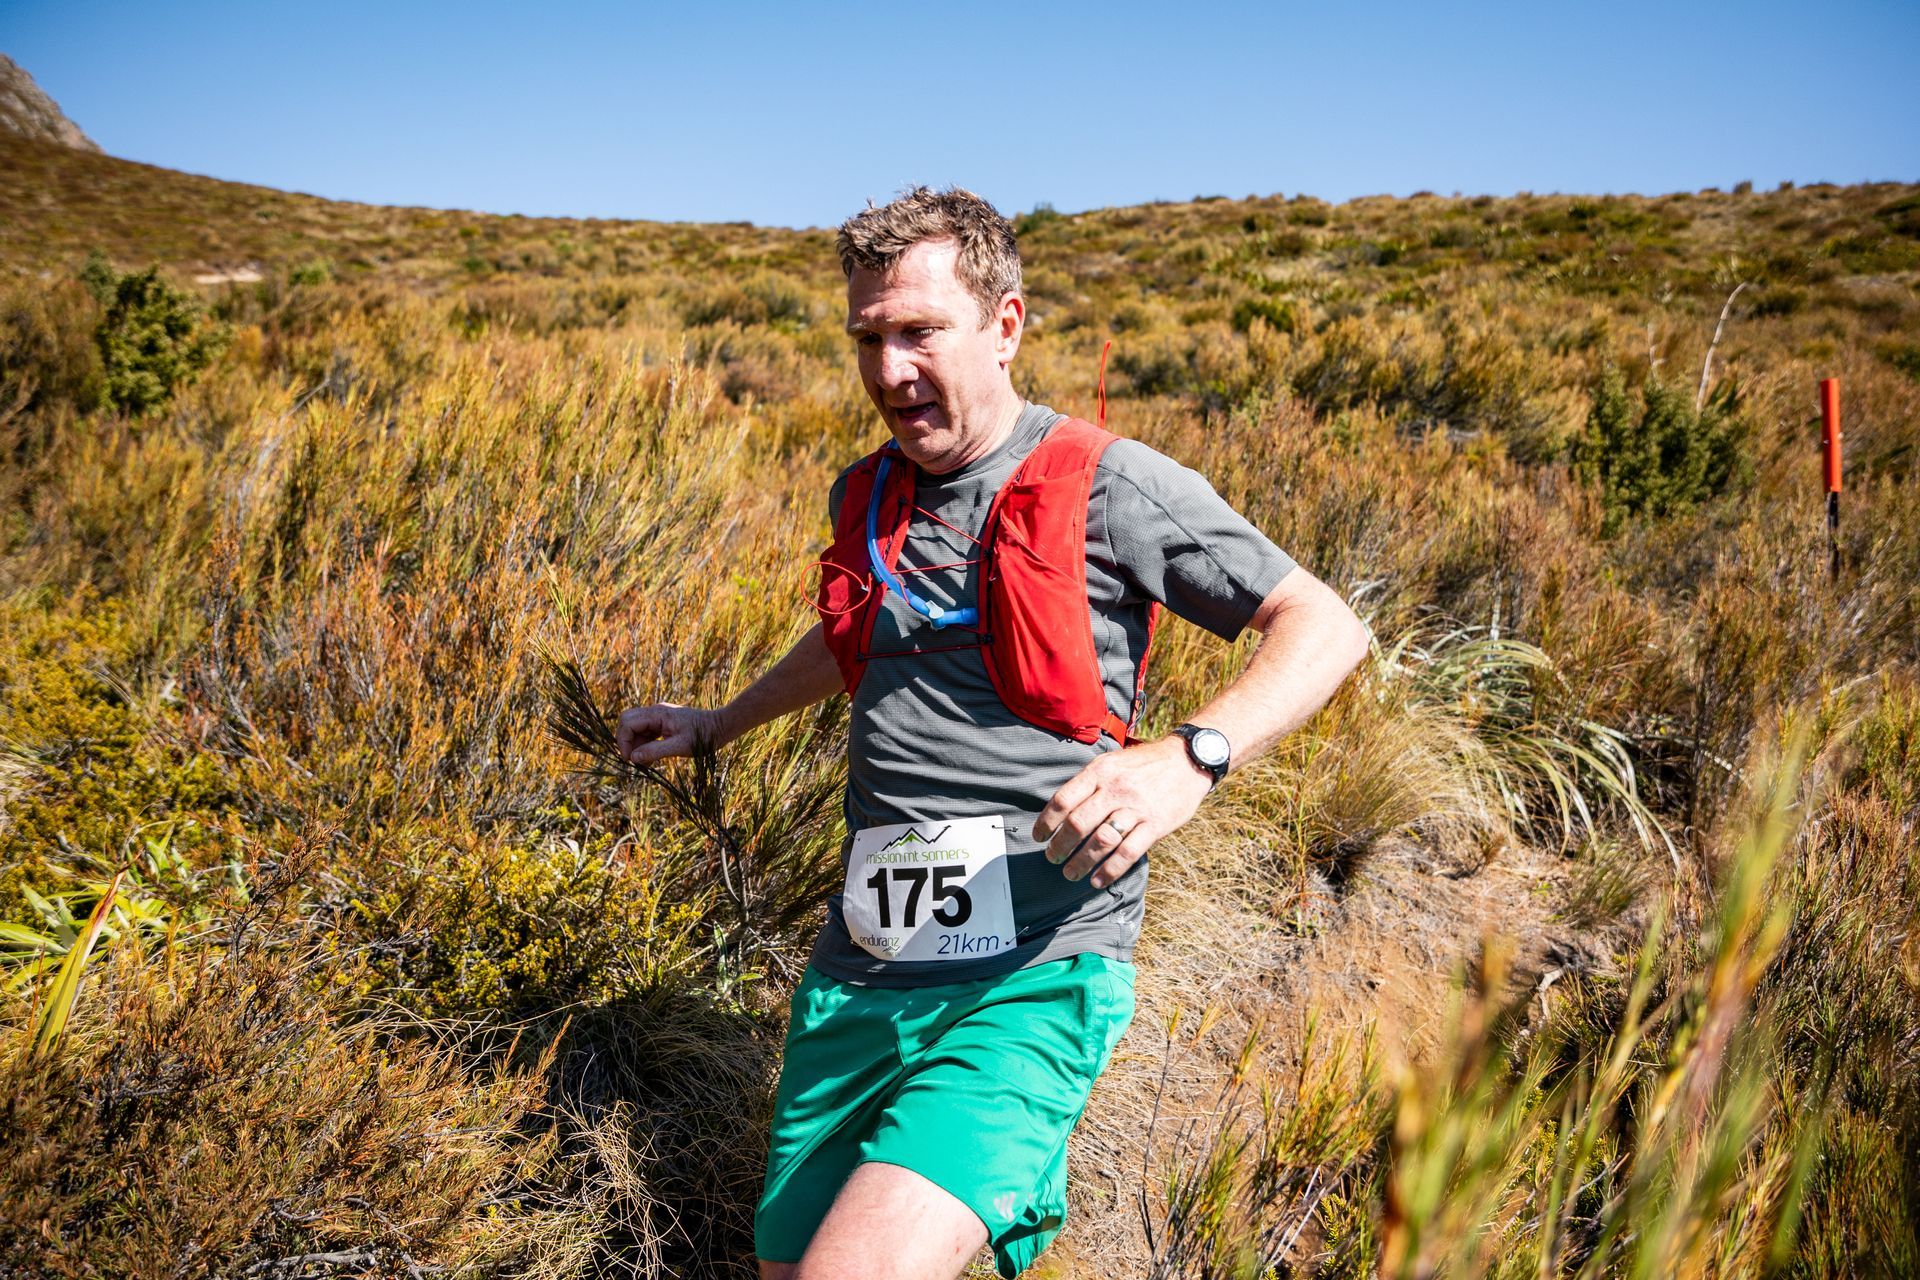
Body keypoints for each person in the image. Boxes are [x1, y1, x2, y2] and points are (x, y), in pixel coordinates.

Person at [616, 186, 1370, 1280]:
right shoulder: (868, 496)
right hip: (864, 972)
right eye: (867, 338)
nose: (889, 371)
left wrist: (1189, 756)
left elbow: (1324, 623)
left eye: (920, 332)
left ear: (1005, 325)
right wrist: (718, 723)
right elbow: (859, 636)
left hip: (1031, 975)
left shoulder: (1108, 482)